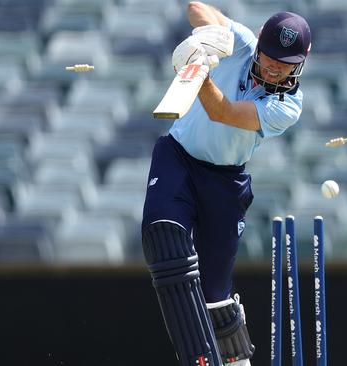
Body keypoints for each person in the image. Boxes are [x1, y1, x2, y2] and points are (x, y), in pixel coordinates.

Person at [141, 2, 311, 365]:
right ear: (260, 44)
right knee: (164, 233)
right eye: (269, 57)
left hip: (225, 182)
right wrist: (207, 39)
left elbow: (223, 113)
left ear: (300, 64)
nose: (273, 67)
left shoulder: (289, 105)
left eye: (285, 63)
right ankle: (198, 358)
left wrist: (198, 73)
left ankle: (236, 359)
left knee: (215, 295)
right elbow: (196, 8)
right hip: (179, 158)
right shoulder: (244, 44)